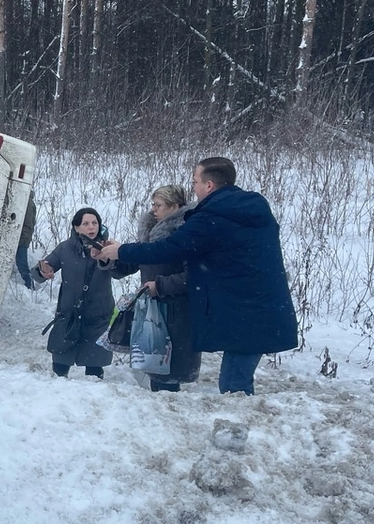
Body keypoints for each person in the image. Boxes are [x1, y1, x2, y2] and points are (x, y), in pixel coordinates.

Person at [95, 157, 298, 395]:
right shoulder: (251, 208)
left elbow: (170, 248)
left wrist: (121, 250)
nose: (194, 188)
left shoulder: (213, 217)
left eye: (195, 181)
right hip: (260, 306)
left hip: (245, 311)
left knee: (235, 386)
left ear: (209, 185)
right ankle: (236, 424)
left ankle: (236, 429)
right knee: (236, 380)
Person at [99, 184, 201, 392]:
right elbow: (132, 264)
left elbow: (193, 276)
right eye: (153, 204)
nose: (153, 209)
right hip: (151, 311)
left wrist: (160, 285)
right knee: (155, 368)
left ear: (175, 207)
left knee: (168, 373)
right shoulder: (150, 233)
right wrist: (109, 257)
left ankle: (168, 415)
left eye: (159, 205)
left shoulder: (185, 234)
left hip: (177, 313)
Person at [32, 206, 121, 379]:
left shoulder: (109, 248)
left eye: (95, 223)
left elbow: (120, 271)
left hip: (98, 314)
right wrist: (43, 271)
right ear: (76, 227)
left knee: (95, 368)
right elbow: (43, 268)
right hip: (69, 314)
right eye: (86, 223)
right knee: (60, 365)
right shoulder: (65, 248)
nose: (91, 227)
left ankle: (92, 401)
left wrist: (107, 258)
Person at [16, 192, 37, 289]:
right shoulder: (29, 202)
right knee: (21, 261)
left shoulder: (27, 203)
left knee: (22, 263)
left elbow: (28, 224)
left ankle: (29, 284)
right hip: (23, 237)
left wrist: (21, 238)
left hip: (22, 238)